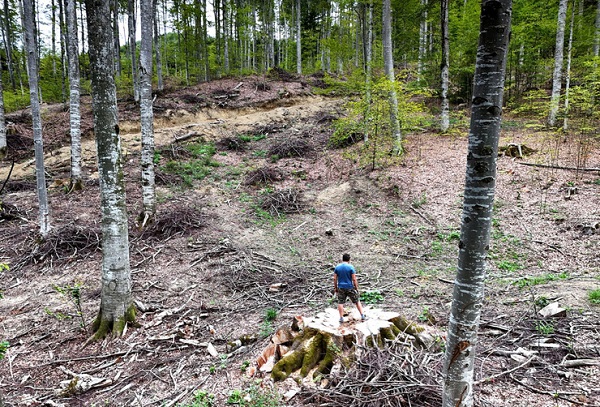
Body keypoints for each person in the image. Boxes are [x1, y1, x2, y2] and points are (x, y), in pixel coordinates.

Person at [334, 253, 366, 323]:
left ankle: (341, 317)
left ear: (342, 259)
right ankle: (362, 315)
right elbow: (354, 279)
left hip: (341, 287)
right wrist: (356, 287)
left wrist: (335, 287)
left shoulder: (337, 267)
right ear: (349, 259)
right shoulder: (351, 267)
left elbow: (335, 279)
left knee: (340, 302)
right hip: (350, 287)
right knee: (357, 301)